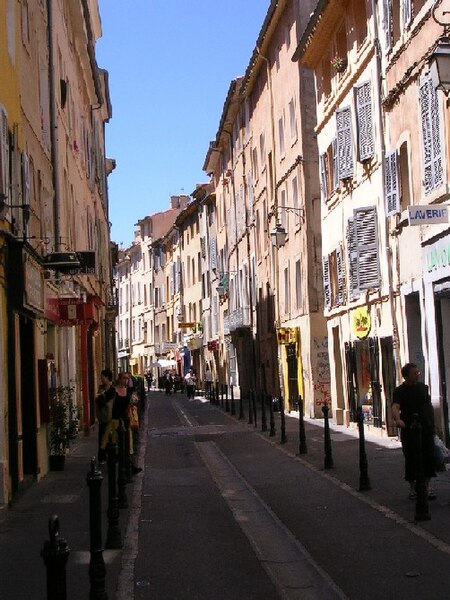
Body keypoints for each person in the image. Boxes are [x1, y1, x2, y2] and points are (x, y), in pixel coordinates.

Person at [392, 363, 436, 500]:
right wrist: (398, 420)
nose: (417, 375)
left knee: (428, 457)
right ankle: (412, 488)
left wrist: (433, 424)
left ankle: (426, 487)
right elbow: (395, 406)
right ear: (406, 376)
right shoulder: (400, 391)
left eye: (418, 373)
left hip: (425, 427)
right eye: (414, 373)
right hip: (409, 428)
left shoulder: (423, 388)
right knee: (411, 458)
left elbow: (428, 406)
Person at [100, 372, 142, 474]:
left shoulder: (129, 391)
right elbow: (100, 401)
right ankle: (114, 467)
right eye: (124, 378)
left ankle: (129, 466)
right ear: (119, 379)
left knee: (128, 445)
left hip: (125, 421)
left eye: (127, 379)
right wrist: (106, 410)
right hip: (115, 421)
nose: (126, 380)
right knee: (114, 445)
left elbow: (136, 401)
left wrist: (133, 402)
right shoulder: (113, 391)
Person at [95, 368, 115, 464]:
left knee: (111, 437)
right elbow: (98, 401)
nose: (101, 379)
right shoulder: (101, 388)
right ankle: (102, 457)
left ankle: (111, 455)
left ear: (107, 378)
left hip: (111, 417)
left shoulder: (113, 389)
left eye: (102, 377)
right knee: (102, 436)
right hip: (102, 417)